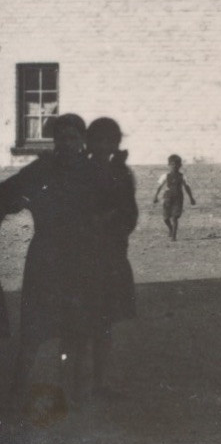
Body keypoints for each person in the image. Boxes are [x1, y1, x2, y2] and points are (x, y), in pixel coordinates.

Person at [0, 113, 102, 402]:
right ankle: (17, 391)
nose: (67, 143)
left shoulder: (93, 171)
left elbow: (112, 212)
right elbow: (6, 194)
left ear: (82, 140)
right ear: (55, 141)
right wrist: (17, 202)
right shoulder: (43, 168)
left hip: (82, 260)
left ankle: (73, 395)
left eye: (73, 137)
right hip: (46, 259)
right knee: (33, 327)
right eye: (61, 138)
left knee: (77, 327)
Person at [87, 118, 138, 396]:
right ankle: (75, 381)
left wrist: (112, 224)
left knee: (104, 321)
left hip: (110, 254)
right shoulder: (79, 171)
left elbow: (130, 214)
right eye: (98, 140)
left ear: (116, 143)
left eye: (109, 141)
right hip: (80, 254)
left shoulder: (122, 174)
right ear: (90, 143)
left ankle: (99, 380)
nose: (103, 146)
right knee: (79, 320)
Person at [153, 154, 196, 241]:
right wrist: (155, 196)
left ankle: (174, 236)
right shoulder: (165, 176)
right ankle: (170, 229)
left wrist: (191, 198)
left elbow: (186, 187)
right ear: (168, 165)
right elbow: (159, 186)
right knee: (165, 218)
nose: (174, 166)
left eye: (177, 164)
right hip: (168, 198)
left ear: (180, 165)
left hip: (178, 198)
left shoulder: (182, 176)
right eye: (172, 164)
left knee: (175, 217)